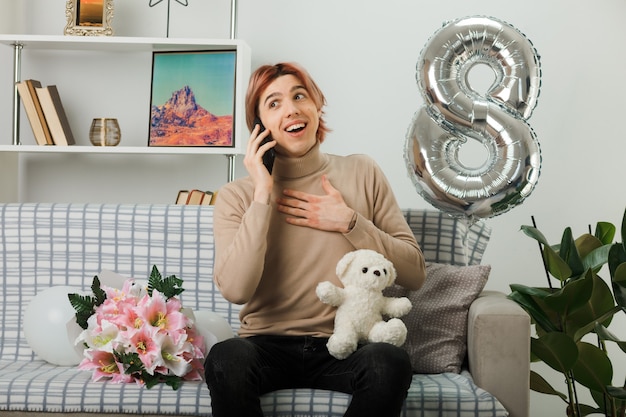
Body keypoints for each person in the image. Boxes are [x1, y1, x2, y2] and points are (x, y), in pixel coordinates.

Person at [204, 62, 426, 417]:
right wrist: (263, 194)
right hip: (265, 346)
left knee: (390, 361)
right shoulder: (236, 196)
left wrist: (351, 222)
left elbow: (415, 274)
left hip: (348, 342)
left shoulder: (362, 171)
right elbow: (236, 290)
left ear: (316, 103)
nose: (290, 109)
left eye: (299, 95)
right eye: (273, 103)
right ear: (259, 126)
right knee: (226, 358)